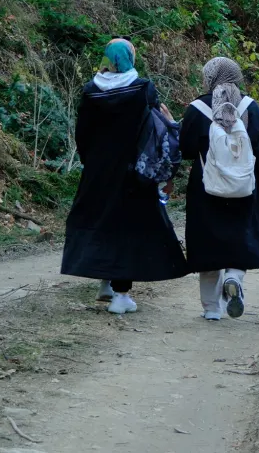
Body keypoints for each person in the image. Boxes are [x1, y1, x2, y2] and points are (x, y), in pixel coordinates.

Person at [62, 39, 189, 314]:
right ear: (130, 58)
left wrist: (90, 161)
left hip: (98, 170)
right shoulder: (142, 88)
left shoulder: (90, 91)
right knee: (126, 228)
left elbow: (81, 133)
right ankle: (121, 295)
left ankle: (104, 283)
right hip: (133, 171)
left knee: (101, 221)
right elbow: (155, 126)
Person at [179, 57, 259, 320]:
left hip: (206, 189)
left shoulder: (197, 109)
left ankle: (212, 309)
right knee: (240, 239)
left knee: (208, 245)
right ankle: (233, 278)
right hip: (245, 189)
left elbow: (187, 149)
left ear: (209, 77)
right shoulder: (252, 109)